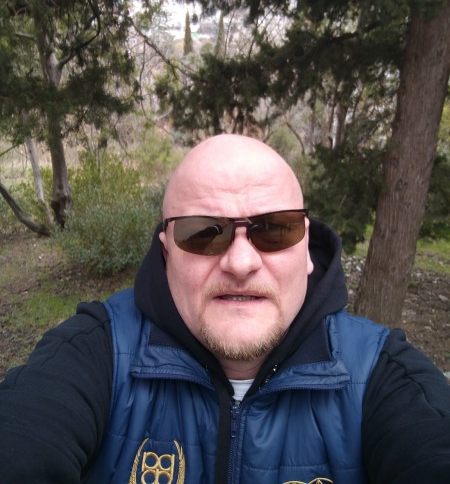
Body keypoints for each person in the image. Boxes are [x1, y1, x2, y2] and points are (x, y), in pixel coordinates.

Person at [0, 134, 449, 484]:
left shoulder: (381, 374)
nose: (240, 262)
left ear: (307, 248)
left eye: (274, 229)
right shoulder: (95, 353)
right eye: (203, 233)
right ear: (166, 252)